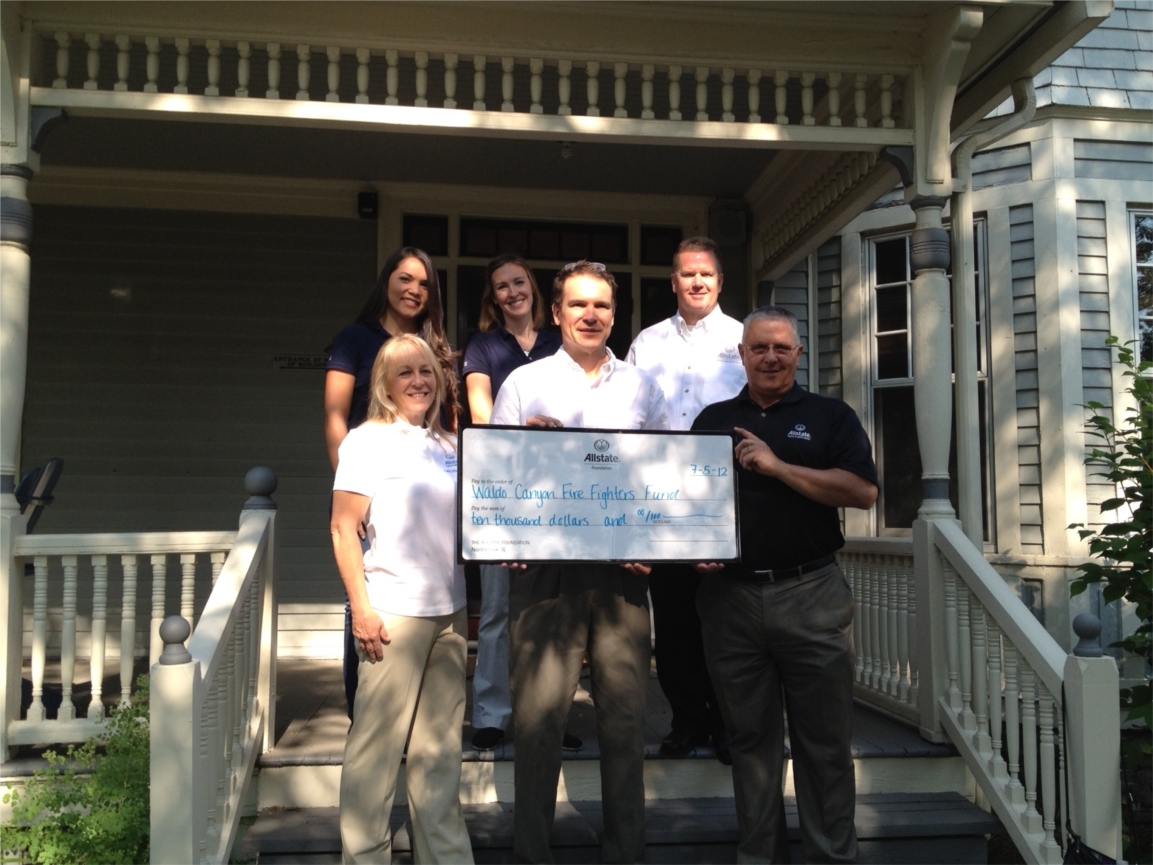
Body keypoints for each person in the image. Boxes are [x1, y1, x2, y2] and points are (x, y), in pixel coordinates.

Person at [490, 261, 670, 864]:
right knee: (539, 724)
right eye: (578, 305)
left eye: (601, 306)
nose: (590, 315)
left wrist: (655, 542)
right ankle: (532, 853)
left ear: (614, 315)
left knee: (625, 721)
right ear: (557, 313)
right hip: (546, 572)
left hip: (622, 572)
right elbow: (497, 473)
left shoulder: (643, 388)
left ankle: (627, 852)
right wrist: (527, 454)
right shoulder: (524, 383)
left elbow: (665, 472)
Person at [692, 306, 878, 863]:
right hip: (731, 600)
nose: (770, 357)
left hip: (811, 595)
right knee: (751, 745)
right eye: (758, 348)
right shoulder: (711, 420)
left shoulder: (829, 416)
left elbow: (863, 491)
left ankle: (830, 856)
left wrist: (778, 467)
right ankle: (760, 857)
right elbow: (687, 501)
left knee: (824, 746)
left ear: (799, 354)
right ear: (742, 354)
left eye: (781, 348)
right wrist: (696, 550)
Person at [331, 334, 473, 865]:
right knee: (375, 753)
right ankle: (365, 857)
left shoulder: (451, 444)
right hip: (392, 612)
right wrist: (361, 611)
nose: (419, 381)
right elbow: (343, 530)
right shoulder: (366, 441)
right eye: (405, 373)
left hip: (451, 613)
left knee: (439, 755)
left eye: (427, 371)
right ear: (385, 386)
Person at [625, 236, 745, 764]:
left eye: (706, 274)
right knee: (673, 621)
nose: (696, 282)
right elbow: (629, 417)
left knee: (723, 619)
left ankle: (725, 724)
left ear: (719, 282)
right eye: (686, 274)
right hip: (662, 498)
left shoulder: (744, 339)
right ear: (672, 281)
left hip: (724, 496)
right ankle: (686, 721)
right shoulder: (647, 344)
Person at [324, 247, 457, 719]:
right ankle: (365, 709)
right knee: (363, 606)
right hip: (369, 487)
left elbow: (446, 421)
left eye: (424, 284)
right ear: (386, 282)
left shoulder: (433, 345)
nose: (414, 290)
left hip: (424, 484)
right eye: (405, 279)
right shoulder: (355, 339)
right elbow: (336, 416)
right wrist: (352, 484)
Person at [461, 254, 581, 753]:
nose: (513, 292)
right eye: (501, 287)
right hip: (503, 492)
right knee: (495, 610)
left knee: (554, 612)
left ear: (533, 288)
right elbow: (480, 415)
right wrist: (521, 429)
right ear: (493, 298)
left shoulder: (562, 342)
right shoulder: (484, 345)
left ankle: (550, 712)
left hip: (561, 498)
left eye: (519, 282)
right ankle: (491, 712)